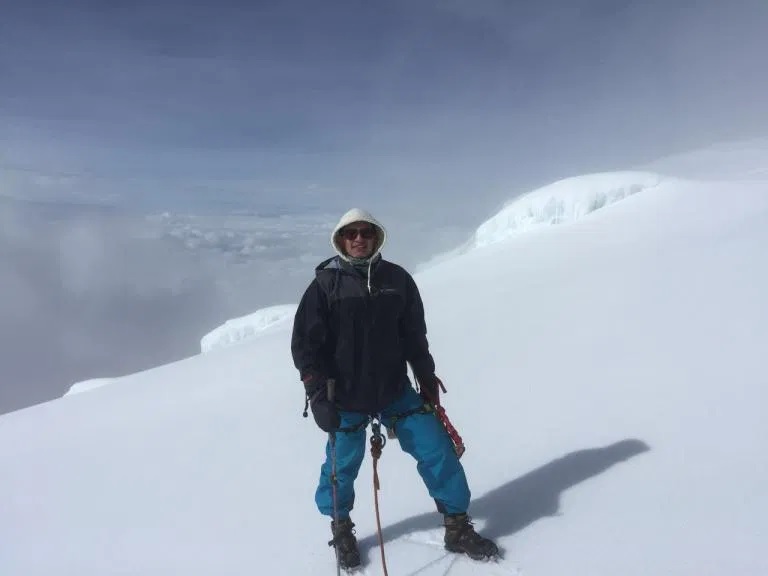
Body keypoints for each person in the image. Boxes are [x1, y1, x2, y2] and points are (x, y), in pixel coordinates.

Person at [291, 208, 498, 569]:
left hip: (394, 390)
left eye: (366, 232)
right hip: (346, 396)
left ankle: (457, 526)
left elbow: (414, 335)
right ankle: (341, 527)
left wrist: (426, 377)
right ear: (340, 240)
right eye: (351, 233)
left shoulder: (397, 280)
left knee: (436, 449)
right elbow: (307, 347)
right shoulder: (325, 286)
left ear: (376, 237)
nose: (359, 238)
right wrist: (318, 395)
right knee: (341, 466)